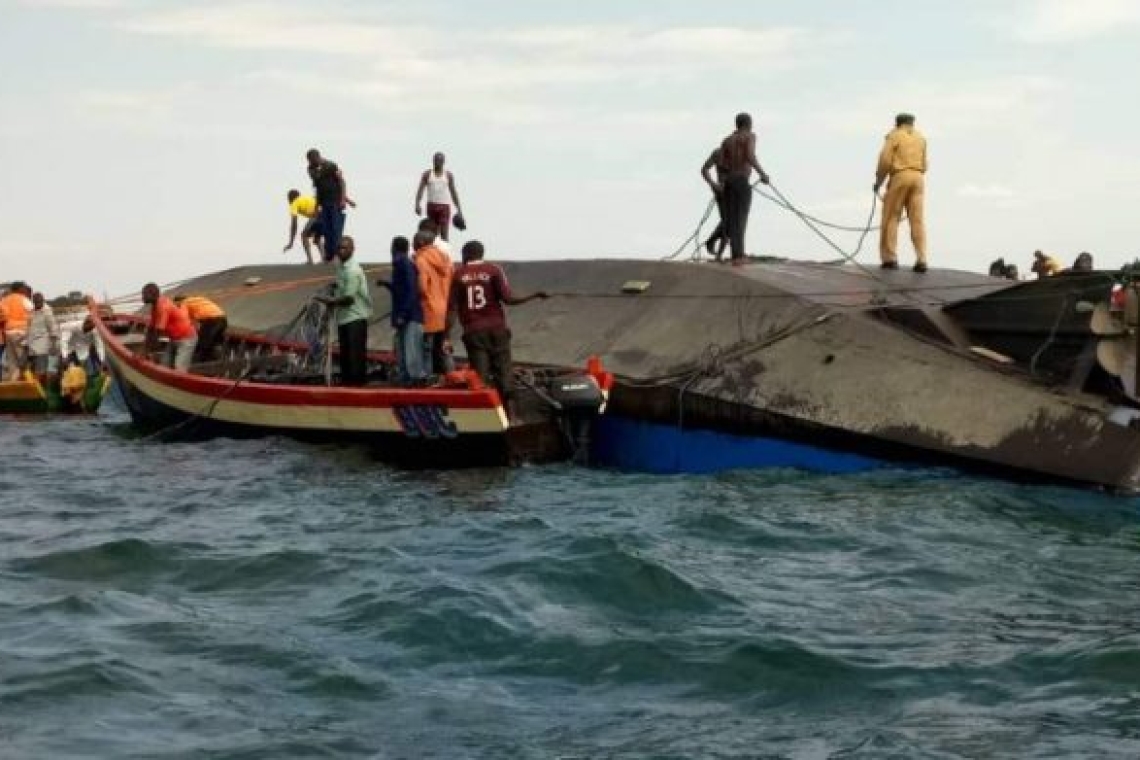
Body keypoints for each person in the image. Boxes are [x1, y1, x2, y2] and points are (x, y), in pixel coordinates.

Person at [449, 240, 548, 405]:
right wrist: (534, 295)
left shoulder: (458, 275)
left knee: (480, 375)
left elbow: (452, 307)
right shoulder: (494, 270)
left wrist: (445, 336)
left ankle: (487, 410)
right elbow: (508, 299)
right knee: (504, 370)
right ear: (481, 253)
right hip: (497, 328)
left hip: (474, 331)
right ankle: (512, 412)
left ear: (465, 254)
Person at [875, 113, 929, 273]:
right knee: (917, 221)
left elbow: (885, 160)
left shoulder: (894, 136)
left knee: (891, 217)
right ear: (912, 123)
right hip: (918, 178)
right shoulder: (921, 138)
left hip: (900, 176)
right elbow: (925, 165)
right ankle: (922, 258)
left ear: (897, 123)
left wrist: (878, 182)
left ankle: (890, 258)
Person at [316, 236, 372, 386]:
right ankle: (347, 385)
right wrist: (334, 286)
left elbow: (348, 298)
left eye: (344, 248)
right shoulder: (341, 267)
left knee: (355, 357)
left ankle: (356, 387)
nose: (341, 251)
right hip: (344, 318)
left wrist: (329, 301)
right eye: (339, 248)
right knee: (346, 356)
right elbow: (342, 285)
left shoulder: (352, 270)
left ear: (352, 250)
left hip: (355, 317)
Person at [717, 113, 770, 266]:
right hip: (741, 181)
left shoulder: (726, 141)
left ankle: (736, 254)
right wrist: (763, 174)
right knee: (741, 218)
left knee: (733, 219)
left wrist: (722, 183)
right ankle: (739, 255)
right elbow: (750, 155)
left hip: (729, 183)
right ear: (749, 124)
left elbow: (721, 165)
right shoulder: (749, 136)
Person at [413, 229, 454, 375]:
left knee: (427, 349)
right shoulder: (446, 259)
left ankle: (430, 378)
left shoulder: (421, 260)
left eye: (414, 240)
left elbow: (422, 288)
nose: (412, 244)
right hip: (444, 308)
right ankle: (450, 376)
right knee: (443, 346)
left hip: (428, 309)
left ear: (421, 242)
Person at [387, 236, 426, 385]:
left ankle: (415, 379)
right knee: (403, 350)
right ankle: (406, 379)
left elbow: (411, 291)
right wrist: (387, 285)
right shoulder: (402, 264)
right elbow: (402, 289)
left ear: (394, 247)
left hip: (409, 315)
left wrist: (403, 314)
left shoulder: (403, 264)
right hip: (406, 314)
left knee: (411, 351)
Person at [306, 149, 350, 263]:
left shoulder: (331, 165)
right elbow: (318, 189)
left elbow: (342, 182)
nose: (310, 163)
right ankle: (329, 256)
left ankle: (337, 255)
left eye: (311, 160)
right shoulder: (311, 170)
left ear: (317, 157)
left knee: (336, 229)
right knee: (326, 230)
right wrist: (316, 207)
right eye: (309, 161)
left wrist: (343, 199)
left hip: (335, 201)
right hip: (323, 202)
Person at [142, 282, 198, 371]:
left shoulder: (163, 306)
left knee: (180, 369)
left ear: (153, 294)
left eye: (144, 294)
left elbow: (158, 332)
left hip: (187, 339)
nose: (142, 297)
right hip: (174, 339)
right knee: (164, 366)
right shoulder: (154, 306)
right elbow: (150, 329)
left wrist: (149, 352)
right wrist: (145, 350)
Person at [414, 152, 465, 242]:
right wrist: (417, 204)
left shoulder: (448, 175)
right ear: (433, 161)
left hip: (444, 206)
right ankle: (435, 254)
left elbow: (453, 193)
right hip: (431, 206)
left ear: (443, 162)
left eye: (439, 160)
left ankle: (446, 254)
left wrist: (459, 210)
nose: (437, 162)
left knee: (444, 234)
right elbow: (420, 190)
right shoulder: (427, 174)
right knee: (433, 234)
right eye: (435, 160)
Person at [174, 294, 228, 362]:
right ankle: (217, 361)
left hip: (212, 320)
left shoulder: (184, 303)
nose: (177, 307)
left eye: (176, 305)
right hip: (223, 319)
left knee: (202, 342)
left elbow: (184, 319)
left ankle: (201, 363)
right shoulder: (198, 299)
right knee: (214, 343)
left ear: (178, 301)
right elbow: (193, 321)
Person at [700, 146, 728, 261]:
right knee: (728, 222)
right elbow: (704, 169)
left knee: (730, 222)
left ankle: (713, 242)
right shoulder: (718, 152)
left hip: (738, 191)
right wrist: (713, 184)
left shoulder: (744, 151)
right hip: (722, 191)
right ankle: (718, 253)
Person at [0, 282, 33, 381]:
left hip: (8, 332)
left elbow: (3, 315)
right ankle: (29, 382)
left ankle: (14, 383)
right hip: (21, 332)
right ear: (19, 289)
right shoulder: (24, 299)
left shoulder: (4, 300)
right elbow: (32, 313)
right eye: (23, 288)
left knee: (12, 361)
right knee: (23, 359)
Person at [25, 292, 60, 384]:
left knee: (41, 371)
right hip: (32, 345)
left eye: (39, 300)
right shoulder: (32, 311)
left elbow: (53, 328)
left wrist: (54, 345)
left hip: (42, 346)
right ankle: (38, 389)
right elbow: (29, 327)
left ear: (42, 300)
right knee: (34, 370)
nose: (37, 302)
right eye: (35, 301)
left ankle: (42, 390)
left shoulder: (47, 311)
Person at [283, 189, 323, 264]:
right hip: (325, 213)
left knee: (304, 235)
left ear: (290, 198)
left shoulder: (294, 203)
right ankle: (324, 258)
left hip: (317, 215)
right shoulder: (306, 198)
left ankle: (310, 260)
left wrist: (291, 242)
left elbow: (294, 224)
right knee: (317, 237)